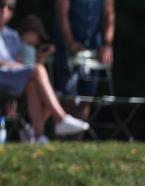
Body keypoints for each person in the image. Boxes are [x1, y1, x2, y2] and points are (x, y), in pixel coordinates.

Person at [0, 1, 89, 142]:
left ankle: (38, 135)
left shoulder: (13, 36)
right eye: (1, 5)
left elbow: (20, 64)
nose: (4, 10)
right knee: (38, 70)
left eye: (10, 7)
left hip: (13, 78)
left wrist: (37, 59)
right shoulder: (19, 40)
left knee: (33, 84)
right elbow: (17, 65)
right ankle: (61, 119)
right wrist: (15, 66)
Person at [52, 0, 115, 120]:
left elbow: (109, 12)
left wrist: (107, 43)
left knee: (87, 98)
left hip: (93, 48)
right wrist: (70, 42)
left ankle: (77, 137)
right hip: (67, 49)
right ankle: (60, 135)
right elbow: (61, 12)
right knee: (67, 97)